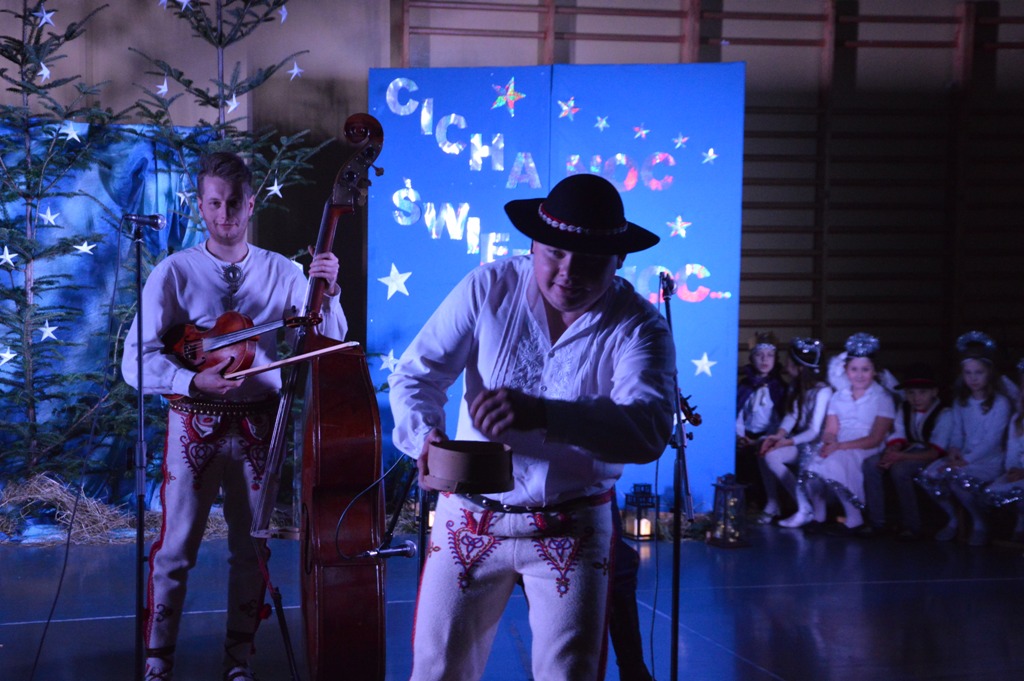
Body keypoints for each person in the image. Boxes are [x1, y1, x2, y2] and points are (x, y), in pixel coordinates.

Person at [388, 173, 676, 681]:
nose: (567, 273)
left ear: (618, 260)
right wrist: (425, 439)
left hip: (574, 523)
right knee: (436, 671)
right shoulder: (488, 286)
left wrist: (546, 414)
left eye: (589, 260)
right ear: (532, 246)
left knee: (569, 675)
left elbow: (649, 429)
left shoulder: (639, 325)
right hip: (469, 516)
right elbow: (417, 375)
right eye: (554, 254)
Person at [121, 151, 348, 681]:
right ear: (201, 206)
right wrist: (190, 380)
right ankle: (157, 660)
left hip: (260, 424)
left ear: (250, 205)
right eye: (214, 203)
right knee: (175, 548)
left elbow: (329, 339)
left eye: (234, 203)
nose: (224, 214)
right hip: (192, 422)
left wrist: (329, 291)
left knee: (252, 549)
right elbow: (135, 360)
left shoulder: (283, 271)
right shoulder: (174, 272)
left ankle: (238, 660)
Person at [779, 333, 896, 533]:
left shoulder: (882, 397)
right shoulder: (839, 396)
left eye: (865, 369)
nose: (859, 375)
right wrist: (829, 442)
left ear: (874, 371)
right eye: (854, 369)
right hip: (840, 442)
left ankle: (854, 518)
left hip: (865, 445)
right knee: (815, 461)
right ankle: (819, 515)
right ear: (846, 370)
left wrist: (839, 447)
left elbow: (876, 438)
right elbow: (831, 429)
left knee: (837, 461)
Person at [917, 331, 1012, 546]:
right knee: (929, 475)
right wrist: (954, 451)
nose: (973, 378)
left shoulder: (1000, 403)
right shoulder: (961, 401)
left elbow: (992, 441)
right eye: (968, 373)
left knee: (957, 480)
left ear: (989, 373)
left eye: (979, 372)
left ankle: (979, 523)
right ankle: (953, 518)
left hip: (988, 460)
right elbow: (958, 433)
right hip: (963, 457)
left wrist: (964, 461)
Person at [861, 364, 952, 540]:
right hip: (907, 450)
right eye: (911, 393)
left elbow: (936, 451)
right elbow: (899, 433)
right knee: (871, 464)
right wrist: (892, 452)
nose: (916, 398)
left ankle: (912, 525)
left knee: (900, 470)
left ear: (934, 392)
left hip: (929, 455)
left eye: (922, 392)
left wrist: (900, 457)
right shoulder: (904, 408)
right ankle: (877, 521)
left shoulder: (945, 413)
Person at [756, 337, 831, 524]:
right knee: (766, 450)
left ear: (800, 367)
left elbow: (814, 431)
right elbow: (792, 415)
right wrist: (778, 435)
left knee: (775, 454)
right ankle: (785, 504)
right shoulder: (796, 386)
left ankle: (806, 508)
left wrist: (787, 442)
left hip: (817, 447)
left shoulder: (822, 391)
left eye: (790, 361)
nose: (786, 364)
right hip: (801, 443)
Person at [985, 358, 1024, 542]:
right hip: (1019, 472)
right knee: (994, 490)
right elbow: (1013, 451)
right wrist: (1012, 469)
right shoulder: (1018, 419)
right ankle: (1019, 520)